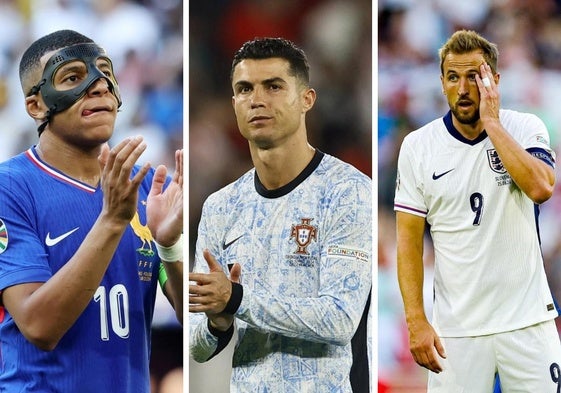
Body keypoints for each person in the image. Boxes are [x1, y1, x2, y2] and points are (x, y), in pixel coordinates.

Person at [0, 29, 183, 392]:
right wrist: (113, 220)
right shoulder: (11, 187)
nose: (99, 88)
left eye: (105, 74)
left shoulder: (147, 186)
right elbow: (39, 326)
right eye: (72, 77)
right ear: (36, 105)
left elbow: (191, 317)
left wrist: (170, 247)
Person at [189, 37, 372, 392]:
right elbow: (197, 346)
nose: (257, 100)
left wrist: (237, 299)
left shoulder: (347, 190)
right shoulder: (221, 207)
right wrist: (218, 322)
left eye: (273, 86)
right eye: (245, 89)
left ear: (307, 99)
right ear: (234, 103)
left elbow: (339, 319)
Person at [394, 29, 561, 392]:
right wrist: (416, 321)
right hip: (457, 331)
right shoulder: (418, 147)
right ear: (441, 83)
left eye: (475, 76)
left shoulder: (524, 127)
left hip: (527, 322)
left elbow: (541, 187)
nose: (464, 87)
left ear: (495, 81)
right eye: (453, 77)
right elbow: (408, 242)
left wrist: (493, 123)